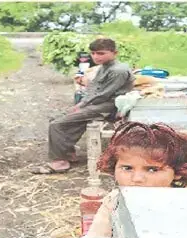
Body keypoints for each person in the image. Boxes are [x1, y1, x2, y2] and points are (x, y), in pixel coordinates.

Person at [84, 122, 187, 238]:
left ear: (178, 172)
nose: (137, 179)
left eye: (152, 170)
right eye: (127, 168)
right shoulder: (113, 202)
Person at [33, 38, 134, 175]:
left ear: (114, 53)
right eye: (93, 53)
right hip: (99, 103)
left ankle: (59, 162)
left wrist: (82, 105)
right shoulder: (104, 66)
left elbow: (103, 95)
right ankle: (68, 153)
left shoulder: (118, 70)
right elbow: (94, 88)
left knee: (57, 124)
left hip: (109, 106)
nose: (96, 57)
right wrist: (81, 104)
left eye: (101, 53)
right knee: (58, 118)